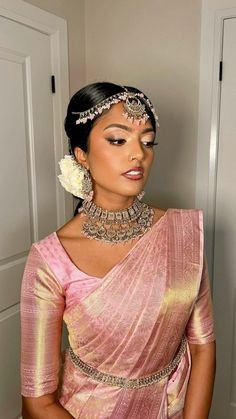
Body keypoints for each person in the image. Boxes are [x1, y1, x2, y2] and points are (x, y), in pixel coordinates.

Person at [20, 82, 216, 419]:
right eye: (117, 140)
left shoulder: (181, 235)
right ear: (81, 154)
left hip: (170, 408)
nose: (138, 153)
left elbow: (203, 346)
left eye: (147, 141)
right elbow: (38, 400)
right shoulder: (51, 260)